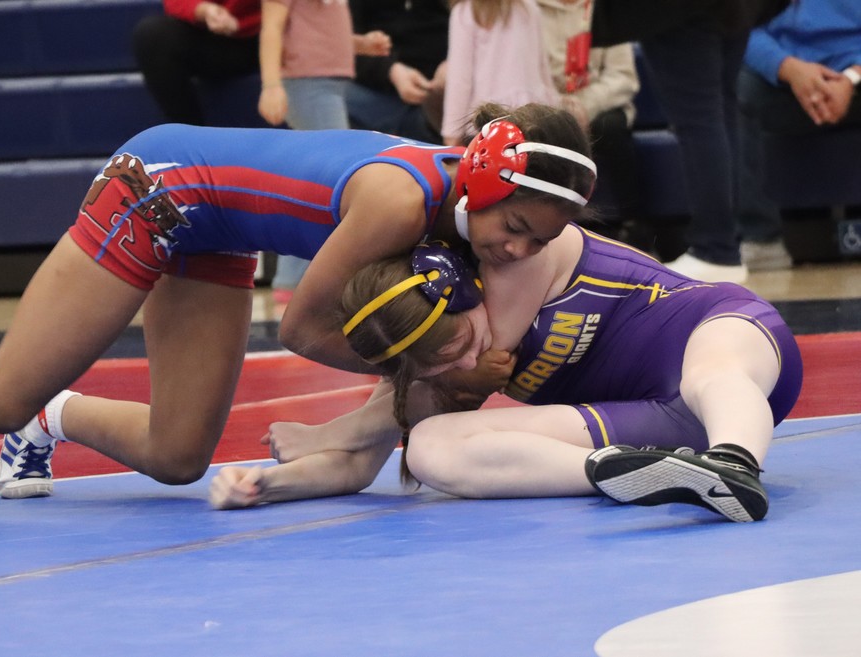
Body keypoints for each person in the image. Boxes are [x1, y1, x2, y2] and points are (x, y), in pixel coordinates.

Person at [0, 103, 597, 501]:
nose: (519, 252)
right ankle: (18, 406)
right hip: (159, 189)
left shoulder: (467, 222)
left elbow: (403, 352)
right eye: (517, 229)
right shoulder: (402, 204)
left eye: (540, 242)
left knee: (177, 456)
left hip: (220, 227)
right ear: (486, 188)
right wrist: (435, 376)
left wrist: (435, 375)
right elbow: (306, 330)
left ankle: (49, 417)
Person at [211, 129, 803, 524]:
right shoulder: (441, 341)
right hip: (656, 423)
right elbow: (362, 460)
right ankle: (630, 473)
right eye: (439, 361)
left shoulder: (515, 264)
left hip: (728, 336)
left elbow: (370, 427)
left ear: (462, 289)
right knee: (434, 450)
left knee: (711, 370)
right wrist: (265, 486)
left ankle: (736, 465)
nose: (464, 361)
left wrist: (328, 429)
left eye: (460, 339)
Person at [590, 0, 790, 283]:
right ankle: (723, 246)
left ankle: (716, 249)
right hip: (736, 7)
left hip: (676, 10)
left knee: (701, 120)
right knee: (719, 112)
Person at [256, 0, 391, 301]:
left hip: (325, 85)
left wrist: (360, 44)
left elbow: (316, 34)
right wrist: (271, 85)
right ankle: (294, 278)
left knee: (322, 178)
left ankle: (292, 278)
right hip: (308, 85)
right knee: (330, 178)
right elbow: (272, 29)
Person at [737, 0, 861, 271]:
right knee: (731, 88)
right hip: (784, 73)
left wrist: (852, 77)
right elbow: (739, 26)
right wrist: (790, 69)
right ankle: (762, 241)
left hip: (853, 69)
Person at [536, 0, 648, 249]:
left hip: (600, 102)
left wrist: (584, 105)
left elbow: (623, 78)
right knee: (544, 129)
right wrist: (559, 106)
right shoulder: (526, 10)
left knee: (611, 128)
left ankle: (633, 223)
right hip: (546, 104)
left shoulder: (609, 10)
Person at [440, 0, 560, 147]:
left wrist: (451, 133)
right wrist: (555, 110)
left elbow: (460, 80)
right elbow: (543, 68)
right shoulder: (529, 8)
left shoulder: (465, 13)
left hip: (487, 122)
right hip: (534, 118)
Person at [132, 0, 262, 126]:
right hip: (212, 37)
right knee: (152, 37)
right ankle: (188, 139)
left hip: (269, 34)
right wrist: (204, 10)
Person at [346, 0, 450, 143]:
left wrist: (453, 64)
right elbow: (344, 48)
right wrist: (391, 71)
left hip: (439, 88)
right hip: (376, 90)